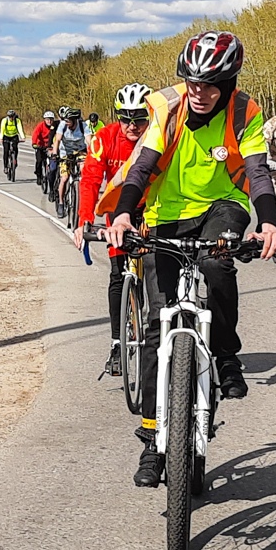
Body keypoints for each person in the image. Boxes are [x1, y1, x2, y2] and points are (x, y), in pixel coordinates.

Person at [100, 30, 276, 487]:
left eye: (210, 85)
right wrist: (124, 214)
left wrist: (268, 221)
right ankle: (151, 441)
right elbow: (142, 165)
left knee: (216, 261)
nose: (199, 93)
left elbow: (259, 173)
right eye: (192, 82)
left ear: (230, 82)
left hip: (220, 205)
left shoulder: (246, 111)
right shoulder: (167, 105)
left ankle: (225, 354)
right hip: (165, 213)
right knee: (151, 326)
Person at [78, 84, 155, 376]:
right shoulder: (105, 137)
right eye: (126, 118)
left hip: (152, 206)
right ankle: (116, 344)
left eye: (139, 118)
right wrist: (85, 219)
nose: (132, 126)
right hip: (118, 209)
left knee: (155, 271)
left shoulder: (158, 137)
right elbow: (90, 180)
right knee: (117, 273)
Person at [31, 110, 58, 186]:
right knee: (39, 161)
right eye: (47, 119)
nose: (49, 121)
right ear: (44, 120)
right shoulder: (40, 126)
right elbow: (35, 134)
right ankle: (39, 175)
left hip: (50, 146)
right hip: (40, 146)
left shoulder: (55, 126)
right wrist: (34, 143)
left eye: (51, 119)